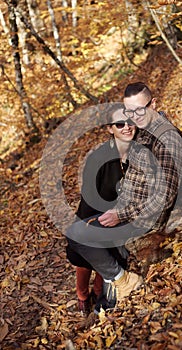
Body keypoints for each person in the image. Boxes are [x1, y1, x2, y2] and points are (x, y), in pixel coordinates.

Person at [66, 82, 182, 305]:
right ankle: (107, 289)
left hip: (145, 219)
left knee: (81, 235)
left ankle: (121, 282)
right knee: (80, 232)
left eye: (139, 111)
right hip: (129, 212)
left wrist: (122, 215)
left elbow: (165, 196)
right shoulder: (143, 133)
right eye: (130, 112)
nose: (134, 119)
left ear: (154, 104)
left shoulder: (166, 139)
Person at [66, 103, 137, 316]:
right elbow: (89, 200)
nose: (126, 127)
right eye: (119, 124)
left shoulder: (140, 152)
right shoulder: (98, 159)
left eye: (130, 122)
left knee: (111, 248)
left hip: (123, 216)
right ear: (109, 128)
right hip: (93, 212)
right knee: (84, 244)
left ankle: (100, 290)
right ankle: (82, 295)